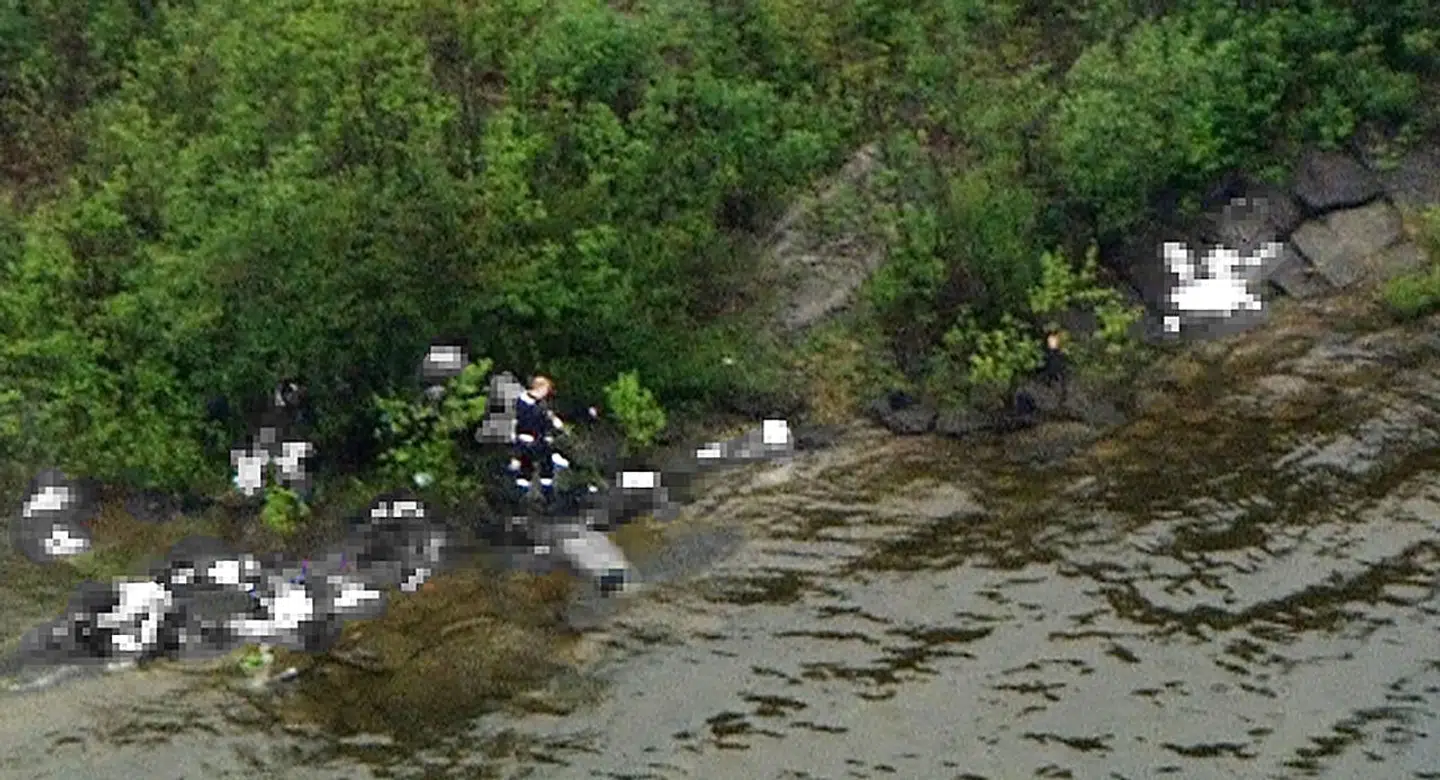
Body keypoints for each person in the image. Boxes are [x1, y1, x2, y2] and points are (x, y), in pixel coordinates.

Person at [509, 375, 569, 504]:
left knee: (545, 462)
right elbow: (523, 422)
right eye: (546, 390)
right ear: (540, 389)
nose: (547, 393)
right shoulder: (523, 403)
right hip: (525, 441)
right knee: (529, 465)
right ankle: (520, 499)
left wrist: (553, 422)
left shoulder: (540, 403)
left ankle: (546, 493)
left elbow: (546, 418)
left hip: (537, 441)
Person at [1039, 331, 1068, 405]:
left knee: (1060, 381)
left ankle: (1061, 397)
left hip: (1057, 369)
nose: (1052, 342)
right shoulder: (1047, 354)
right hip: (1050, 370)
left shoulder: (1060, 353)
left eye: (1053, 341)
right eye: (1050, 341)